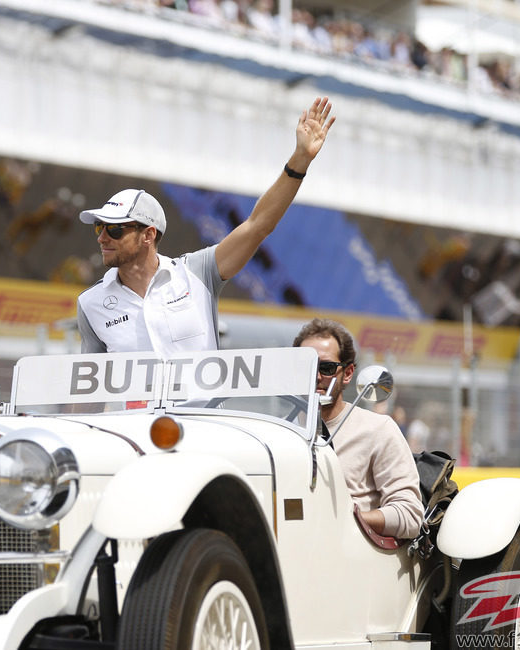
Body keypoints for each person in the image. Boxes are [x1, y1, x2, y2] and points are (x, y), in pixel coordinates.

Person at [77, 96, 335, 358]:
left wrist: (300, 160)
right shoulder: (89, 304)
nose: (102, 238)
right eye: (100, 228)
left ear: (148, 235)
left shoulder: (197, 272)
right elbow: (91, 390)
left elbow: (258, 225)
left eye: (115, 230)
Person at [293, 318, 423, 539]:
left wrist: (346, 518)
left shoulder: (377, 429)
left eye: (326, 368)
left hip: (350, 559)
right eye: (305, 366)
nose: (315, 377)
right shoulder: (280, 431)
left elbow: (410, 516)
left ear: (349, 373)